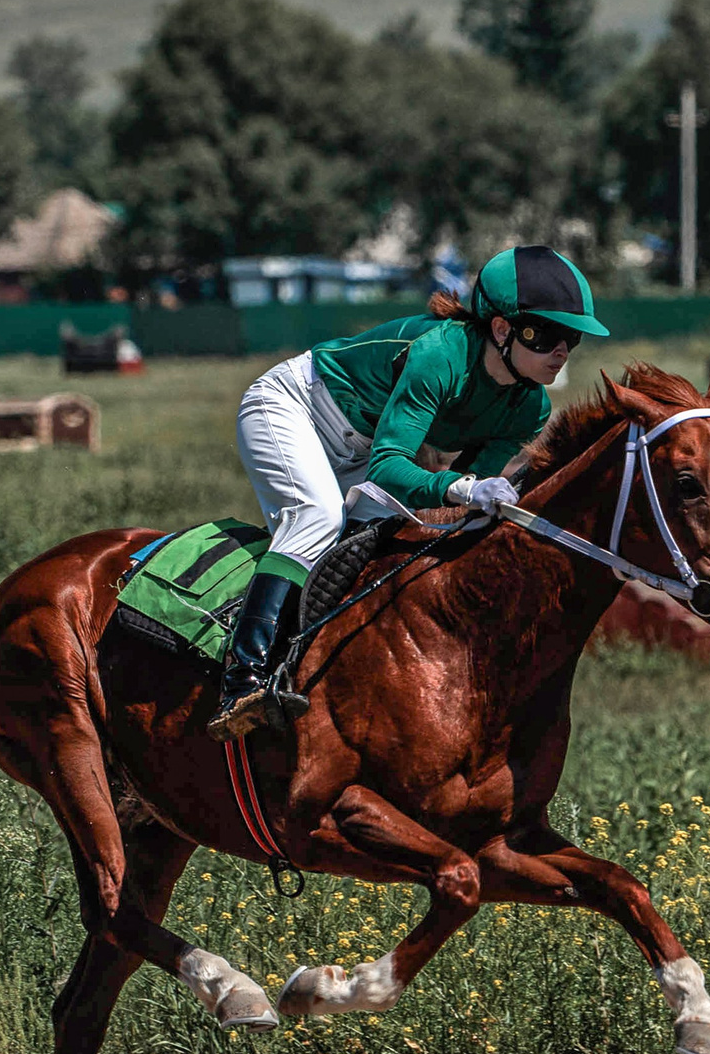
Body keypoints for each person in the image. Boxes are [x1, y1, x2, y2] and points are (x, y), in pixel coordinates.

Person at [209, 245, 610, 739]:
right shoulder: (441, 353)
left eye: (572, 337)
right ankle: (242, 680)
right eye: (546, 333)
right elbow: (389, 469)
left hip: (360, 446)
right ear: (502, 329)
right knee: (316, 519)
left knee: (388, 543)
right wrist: (464, 486)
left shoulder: (530, 409)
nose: (562, 350)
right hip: (293, 408)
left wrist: (477, 497)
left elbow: (446, 507)